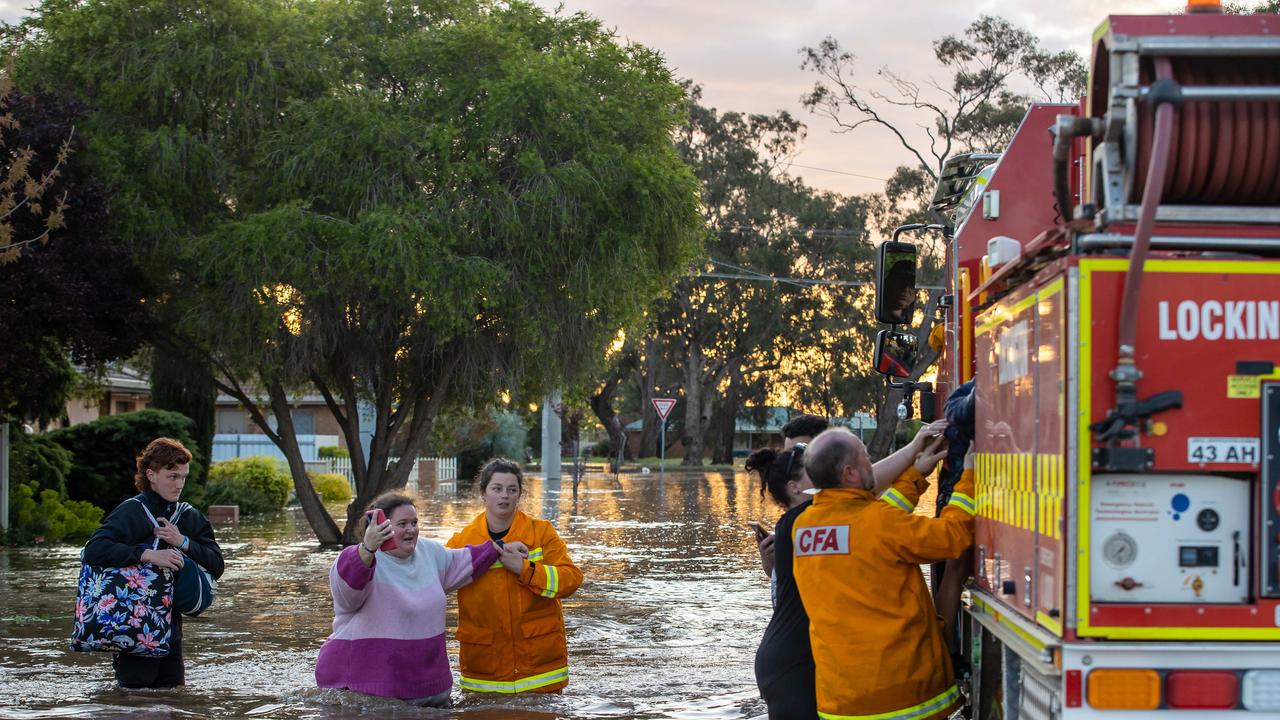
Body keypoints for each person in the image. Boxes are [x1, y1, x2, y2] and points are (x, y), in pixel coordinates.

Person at [747, 430, 948, 720]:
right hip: (796, 662)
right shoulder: (807, 519)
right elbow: (865, 490)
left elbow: (873, 523)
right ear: (795, 489)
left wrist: (915, 469)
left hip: (785, 656)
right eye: (813, 472)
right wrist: (912, 453)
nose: (823, 477)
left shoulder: (797, 526)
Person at [792, 428, 975, 720]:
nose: (872, 461)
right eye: (866, 457)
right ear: (850, 473)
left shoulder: (804, 527)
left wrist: (916, 473)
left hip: (840, 701)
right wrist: (970, 478)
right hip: (902, 696)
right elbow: (952, 537)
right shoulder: (877, 523)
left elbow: (872, 527)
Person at [315, 493, 516, 706]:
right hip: (367, 690)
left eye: (414, 523)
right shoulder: (357, 561)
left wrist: (501, 547)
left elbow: (465, 560)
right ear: (380, 527)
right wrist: (367, 549)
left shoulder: (429, 552)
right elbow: (348, 593)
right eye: (402, 524)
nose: (411, 529)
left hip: (427, 690)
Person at [82, 437, 224, 689]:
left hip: (171, 631)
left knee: (172, 698)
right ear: (151, 474)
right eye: (172, 476)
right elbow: (94, 550)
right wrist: (146, 554)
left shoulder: (189, 516)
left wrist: (182, 541)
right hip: (132, 626)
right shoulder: (132, 511)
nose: (179, 484)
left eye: (183, 477)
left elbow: (217, 565)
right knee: (133, 701)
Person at [447, 458, 583, 694]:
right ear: (483, 493)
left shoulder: (541, 532)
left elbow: (570, 580)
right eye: (497, 489)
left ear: (520, 494)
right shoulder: (462, 541)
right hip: (484, 672)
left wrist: (524, 569)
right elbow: (437, 580)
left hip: (540, 671)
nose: (505, 496)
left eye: (512, 490)